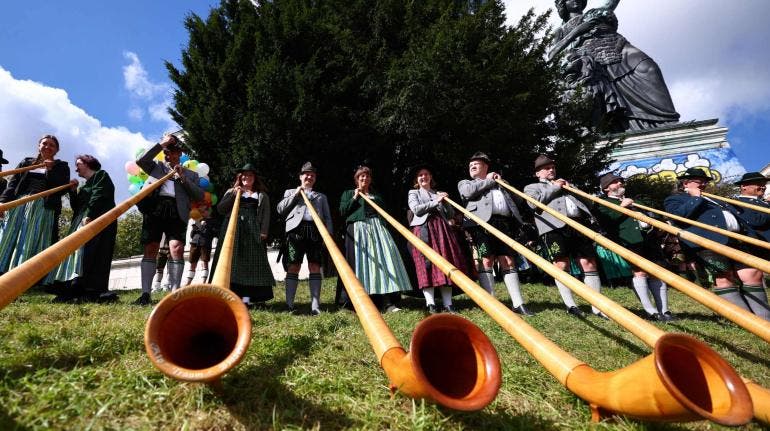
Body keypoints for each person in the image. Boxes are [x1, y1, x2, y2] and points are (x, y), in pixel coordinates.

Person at [548, 0, 679, 132]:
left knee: (649, 68)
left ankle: (665, 123)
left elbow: (610, 3)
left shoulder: (594, 12)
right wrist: (578, 31)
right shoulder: (560, 30)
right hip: (593, 60)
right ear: (562, 5)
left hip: (617, 45)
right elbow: (552, 54)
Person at [664, 168, 770, 320]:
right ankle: (747, 320)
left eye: (705, 182)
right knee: (723, 278)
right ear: (686, 182)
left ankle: (765, 318)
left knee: (752, 273)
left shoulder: (712, 197)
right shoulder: (675, 199)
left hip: (736, 239)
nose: (703, 184)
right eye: (699, 181)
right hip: (708, 242)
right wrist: (695, 198)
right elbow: (677, 216)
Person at [523, 155, 605, 318]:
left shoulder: (568, 185)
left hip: (578, 226)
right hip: (553, 228)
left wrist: (572, 188)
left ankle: (597, 306)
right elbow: (533, 204)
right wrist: (555, 188)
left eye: (552, 167)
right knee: (561, 264)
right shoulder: (532, 187)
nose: (551, 170)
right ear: (538, 173)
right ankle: (571, 305)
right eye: (546, 168)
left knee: (589, 263)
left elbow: (589, 203)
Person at [458, 152, 535, 315]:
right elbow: (467, 193)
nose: (472, 166)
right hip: (481, 224)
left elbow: (519, 200)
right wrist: (488, 180)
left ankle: (518, 303)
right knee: (486, 260)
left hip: (504, 223)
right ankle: (490, 303)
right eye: (470, 165)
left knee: (508, 260)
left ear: (486, 167)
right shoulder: (465, 183)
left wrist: (503, 183)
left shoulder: (499, 182)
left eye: (476, 164)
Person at [134, 134, 204, 305]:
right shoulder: (155, 166)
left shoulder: (191, 174)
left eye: (171, 151)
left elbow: (199, 195)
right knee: (151, 248)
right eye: (165, 151)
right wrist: (162, 143)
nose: (167, 154)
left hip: (177, 211)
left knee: (177, 248)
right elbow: (141, 160)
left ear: (179, 153)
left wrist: (183, 178)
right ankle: (145, 294)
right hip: (154, 209)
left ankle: (175, 294)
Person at [594, 173, 673, 321]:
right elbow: (606, 221)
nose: (619, 184)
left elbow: (652, 215)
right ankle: (651, 312)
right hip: (628, 241)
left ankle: (665, 311)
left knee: (657, 272)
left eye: (620, 182)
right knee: (640, 272)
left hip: (648, 239)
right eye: (615, 182)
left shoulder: (634, 201)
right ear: (606, 188)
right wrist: (622, 207)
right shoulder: (602, 203)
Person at [339, 164, 411, 313]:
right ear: (356, 179)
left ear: (370, 179)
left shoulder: (376, 196)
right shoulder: (348, 194)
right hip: (358, 230)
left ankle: (387, 302)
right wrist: (355, 196)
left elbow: (384, 213)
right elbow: (343, 211)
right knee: (360, 264)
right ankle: (358, 302)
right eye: (361, 176)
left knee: (384, 262)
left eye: (367, 176)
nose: (364, 178)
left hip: (378, 230)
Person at [0, 135, 71, 284]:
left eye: (52, 145)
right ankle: (3, 270)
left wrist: (50, 170)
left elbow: (60, 189)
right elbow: (13, 184)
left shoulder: (61, 166)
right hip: (19, 204)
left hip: (42, 206)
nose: (47, 147)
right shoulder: (26, 162)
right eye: (44, 143)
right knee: (8, 234)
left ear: (56, 150)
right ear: (39, 146)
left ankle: (25, 275)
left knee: (31, 237)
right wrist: (3, 203)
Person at [52, 155, 118, 302]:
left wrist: (90, 215)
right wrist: (73, 191)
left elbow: (99, 195)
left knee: (94, 253)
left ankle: (91, 288)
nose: (76, 168)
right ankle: (73, 286)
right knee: (77, 253)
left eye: (78, 164)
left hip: (97, 219)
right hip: (80, 220)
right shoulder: (84, 186)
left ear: (88, 163)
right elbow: (76, 207)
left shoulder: (101, 175)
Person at [212, 163, 274, 307]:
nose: (247, 177)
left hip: (253, 230)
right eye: (244, 175)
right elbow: (221, 209)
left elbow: (266, 215)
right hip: (233, 229)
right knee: (233, 262)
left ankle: (250, 299)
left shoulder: (261, 195)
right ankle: (229, 296)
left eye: (250, 175)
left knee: (253, 263)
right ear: (240, 177)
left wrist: (264, 231)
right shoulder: (231, 191)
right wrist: (234, 195)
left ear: (254, 178)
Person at [409, 164, 468, 314]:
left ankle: (448, 304)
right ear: (417, 179)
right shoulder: (413, 193)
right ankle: (431, 304)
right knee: (425, 264)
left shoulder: (438, 193)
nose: (424, 177)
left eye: (426, 174)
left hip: (442, 230)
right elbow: (417, 210)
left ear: (430, 177)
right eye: (420, 175)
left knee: (446, 262)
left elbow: (449, 215)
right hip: (423, 230)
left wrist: (446, 202)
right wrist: (436, 201)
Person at [276, 162, 332, 315]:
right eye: (306, 174)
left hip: (315, 231)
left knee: (315, 266)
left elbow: (327, 218)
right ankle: (289, 305)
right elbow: (280, 209)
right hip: (296, 231)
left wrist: (329, 237)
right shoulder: (290, 192)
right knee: (293, 266)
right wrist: (296, 194)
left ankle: (315, 307)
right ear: (300, 177)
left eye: (312, 175)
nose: (309, 177)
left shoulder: (321, 197)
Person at [184, 216, 217, 286]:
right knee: (192, 264)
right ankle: (188, 283)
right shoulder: (197, 220)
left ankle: (203, 283)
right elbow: (191, 235)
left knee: (204, 263)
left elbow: (215, 233)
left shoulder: (212, 221)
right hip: (194, 243)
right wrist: (198, 227)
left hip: (205, 244)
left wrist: (208, 226)